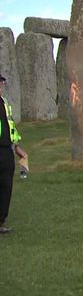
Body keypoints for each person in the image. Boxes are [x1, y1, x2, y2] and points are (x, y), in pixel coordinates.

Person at [0, 74, 27, 235]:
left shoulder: (4, 103)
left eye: (1, 82)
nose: (1, 85)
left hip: (6, 150)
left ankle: (1, 221)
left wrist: (17, 148)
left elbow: (10, 127)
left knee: (5, 186)